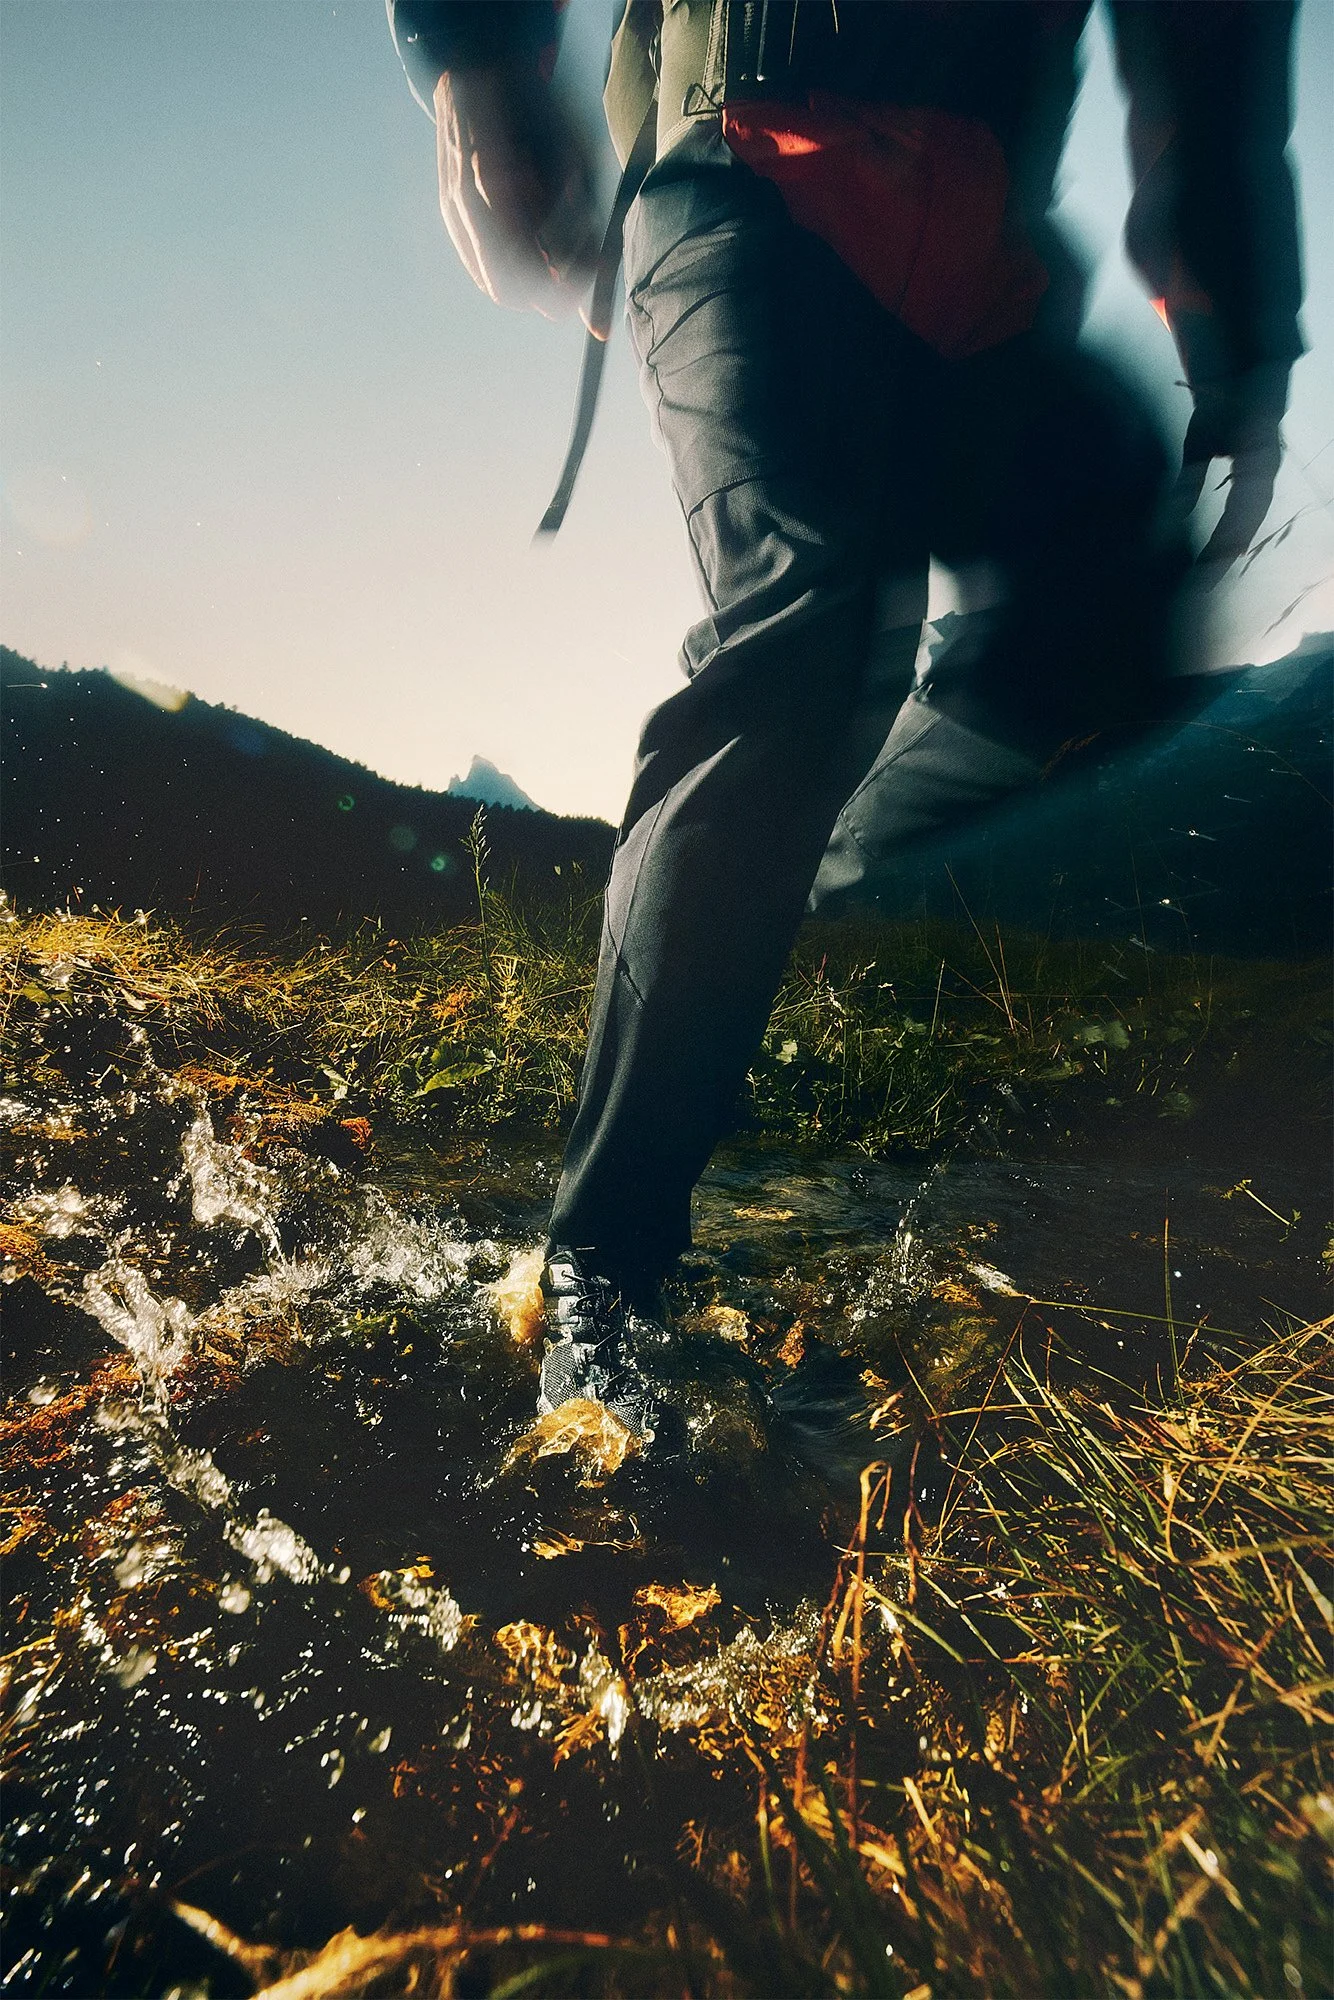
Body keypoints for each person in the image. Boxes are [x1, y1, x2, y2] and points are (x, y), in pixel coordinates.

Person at [388, 0, 1303, 1440]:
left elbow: (1210, 47)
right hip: (747, 167)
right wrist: (476, 55)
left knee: (1108, 621)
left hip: (981, 257)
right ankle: (601, 1267)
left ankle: (801, 881)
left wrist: (1241, 343)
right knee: (812, 631)